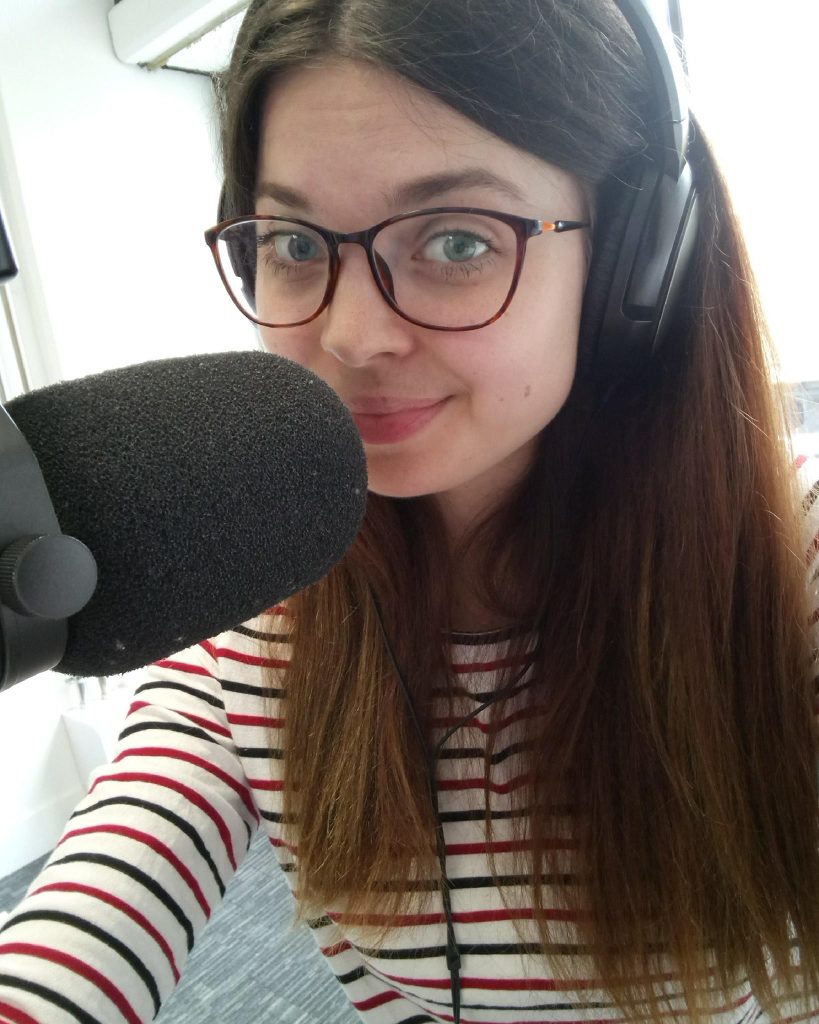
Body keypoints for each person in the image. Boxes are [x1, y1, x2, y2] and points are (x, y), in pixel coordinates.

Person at [1, 1, 819, 1022]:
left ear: (631, 271)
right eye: (296, 240)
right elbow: (82, 931)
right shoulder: (250, 621)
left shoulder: (795, 577)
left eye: (460, 240)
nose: (351, 334)